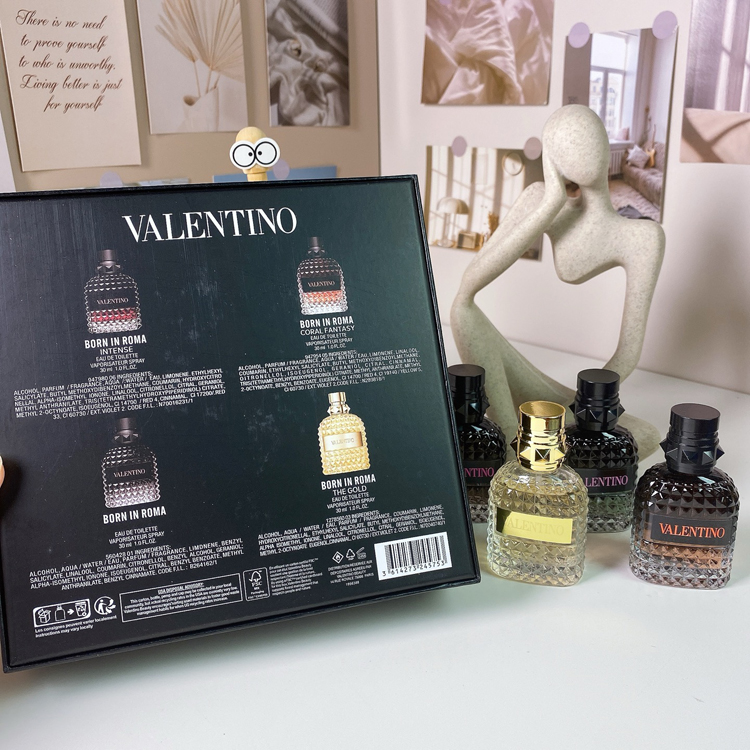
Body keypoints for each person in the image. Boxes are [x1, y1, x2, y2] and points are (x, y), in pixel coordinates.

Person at [451, 104, 665, 455]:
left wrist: (584, 407)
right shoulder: (539, 200)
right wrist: (551, 202)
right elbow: (469, 285)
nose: (584, 152)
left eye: (592, 138)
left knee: (645, 435)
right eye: (568, 146)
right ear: (554, 157)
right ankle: (508, 440)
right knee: (462, 310)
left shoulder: (642, 237)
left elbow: (627, 353)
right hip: (547, 199)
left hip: (580, 400)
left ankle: (523, 442)